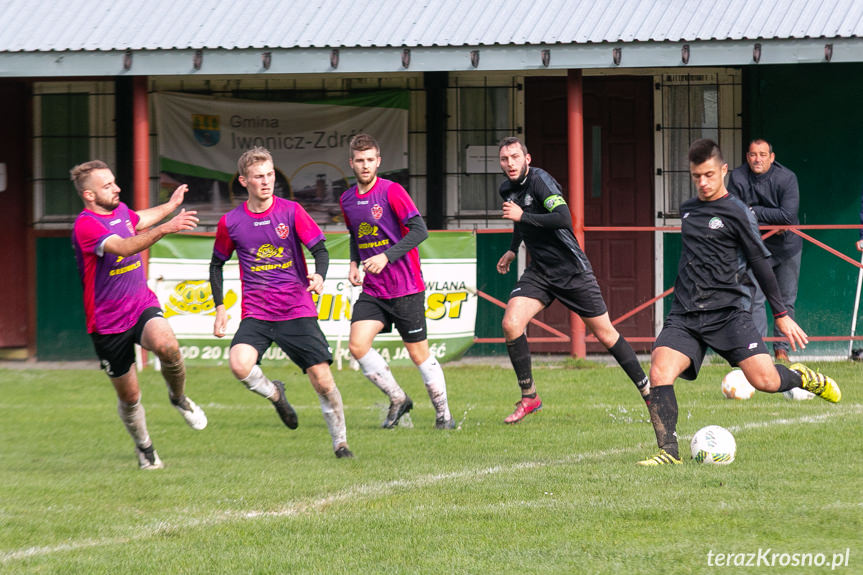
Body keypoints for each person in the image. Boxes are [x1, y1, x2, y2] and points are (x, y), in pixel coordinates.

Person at [638, 139, 840, 466]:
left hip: (729, 315)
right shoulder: (689, 210)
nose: (702, 182)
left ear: (723, 171)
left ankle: (804, 379)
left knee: (766, 381)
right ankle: (668, 453)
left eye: (708, 175)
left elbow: (760, 262)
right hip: (686, 315)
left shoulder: (738, 212)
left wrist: (782, 314)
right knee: (660, 370)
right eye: (696, 176)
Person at [495, 136, 650, 424]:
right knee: (511, 323)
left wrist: (523, 216)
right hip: (540, 271)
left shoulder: (541, 181)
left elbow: (564, 218)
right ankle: (530, 397)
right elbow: (520, 221)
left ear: (527, 159)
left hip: (571, 270)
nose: (510, 163)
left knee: (605, 334)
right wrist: (512, 249)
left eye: (515, 157)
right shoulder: (507, 188)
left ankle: (649, 390)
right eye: (505, 159)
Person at [210, 147, 352, 458]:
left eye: (270, 175)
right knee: (239, 364)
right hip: (257, 314)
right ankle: (276, 393)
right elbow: (216, 264)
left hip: (295, 309)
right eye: (258, 177)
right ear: (244, 181)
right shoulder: (231, 222)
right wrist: (220, 307)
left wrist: (319, 276)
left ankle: (340, 443)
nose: (266, 181)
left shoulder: (291, 211)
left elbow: (321, 251)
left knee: (323, 381)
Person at [70, 160, 208, 470]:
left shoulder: (119, 211)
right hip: (107, 324)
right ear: (90, 195)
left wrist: (170, 206)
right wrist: (167, 227)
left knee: (168, 346)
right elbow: (125, 247)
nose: (116, 188)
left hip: (140, 304)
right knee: (130, 397)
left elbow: (138, 219)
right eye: (107, 186)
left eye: (114, 182)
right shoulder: (86, 224)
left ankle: (179, 398)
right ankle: (144, 447)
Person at [339, 133, 454, 430]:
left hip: (405, 287)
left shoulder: (392, 191)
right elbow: (356, 232)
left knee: (418, 354)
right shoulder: (347, 199)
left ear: (379, 161)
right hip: (374, 290)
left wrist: (386, 257)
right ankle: (398, 398)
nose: (365, 166)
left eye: (370, 160)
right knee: (357, 345)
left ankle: (443, 414)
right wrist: (354, 261)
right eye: (359, 161)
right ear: (351, 163)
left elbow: (419, 231)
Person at [726, 139, 802, 362]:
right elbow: (734, 213)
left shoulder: (787, 178)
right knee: (755, 299)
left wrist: (752, 212)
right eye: (752, 155)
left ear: (772, 157)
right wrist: (763, 216)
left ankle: (782, 350)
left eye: (762, 154)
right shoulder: (738, 177)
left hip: (787, 247)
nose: (757, 159)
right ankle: (758, 351)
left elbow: (788, 216)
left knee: (786, 300)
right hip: (754, 247)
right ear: (747, 157)